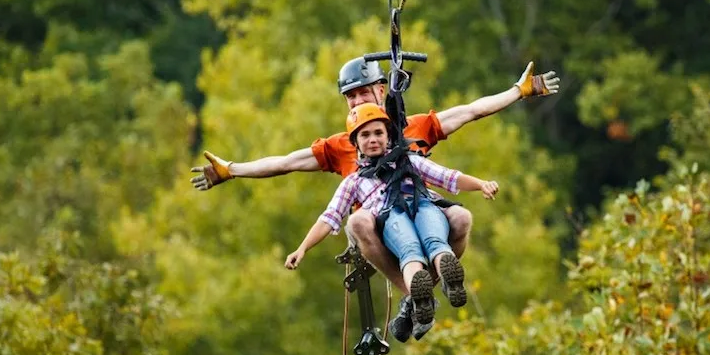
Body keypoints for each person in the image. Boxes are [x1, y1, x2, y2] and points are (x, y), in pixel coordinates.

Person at [190, 57, 559, 299]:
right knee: (359, 218)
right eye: (349, 98)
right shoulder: (344, 145)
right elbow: (286, 162)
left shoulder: (411, 128)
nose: (356, 101)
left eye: (363, 93)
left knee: (461, 217)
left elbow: (471, 111)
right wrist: (233, 169)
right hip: (382, 226)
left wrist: (518, 91)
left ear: (382, 91)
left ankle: (438, 278)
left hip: (420, 208)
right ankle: (410, 291)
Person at [284, 103, 499, 341]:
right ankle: (418, 292)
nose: (373, 140)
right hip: (391, 217)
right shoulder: (354, 181)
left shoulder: (409, 161)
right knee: (410, 249)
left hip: (424, 205)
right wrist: (302, 247)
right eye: (365, 135)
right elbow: (330, 216)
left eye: (378, 133)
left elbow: (447, 177)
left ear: (388, 137)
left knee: (435, 239)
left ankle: (448, 274)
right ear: (355, 143)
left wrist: (481, 184)